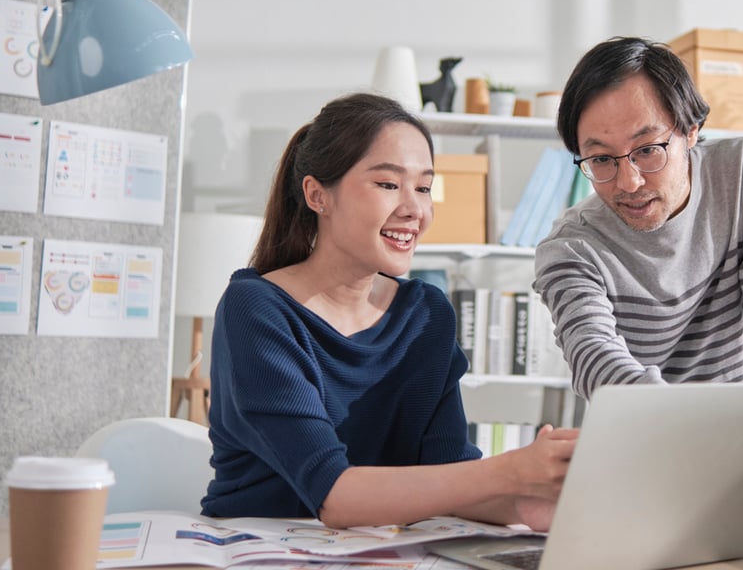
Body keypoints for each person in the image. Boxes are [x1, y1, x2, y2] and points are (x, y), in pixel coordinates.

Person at [201, 92, 577, 529]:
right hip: (255, 550)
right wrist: (510, 471)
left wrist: (522, 506)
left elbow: (449, 470)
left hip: (371, 552)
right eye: (387, 184)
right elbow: (334, 496)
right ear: (317, 195)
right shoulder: (257, 310)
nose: (414, 209)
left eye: (423, 187)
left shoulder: (425, 314)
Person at [533, 37, 743, 526]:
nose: (629, 182)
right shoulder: (570, 247)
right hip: (641, 469)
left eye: (647, 150)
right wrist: (707, 461)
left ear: (691, 129)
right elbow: (597, 361)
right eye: (601, 160)